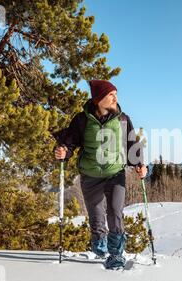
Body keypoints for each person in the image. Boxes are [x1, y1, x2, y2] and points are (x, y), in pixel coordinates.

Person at [53, 80, 147, 269]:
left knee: (115, 211)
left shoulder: (122, 119)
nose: (115, 98)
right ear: (98, 99)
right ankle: (99, 249)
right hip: (90, 174)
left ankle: (116, 254)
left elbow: (131, 145)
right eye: (111, 95)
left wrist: (140, 165)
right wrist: (63, 151)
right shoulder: (82, 120)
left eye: (116, 94)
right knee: (96, 214)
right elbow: (70, 143)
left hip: (115, 173)